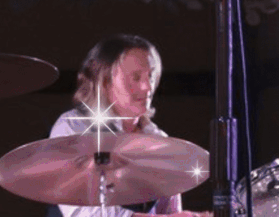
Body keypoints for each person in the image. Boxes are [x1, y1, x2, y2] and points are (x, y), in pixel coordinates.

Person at [47, 35, 211, 217]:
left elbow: (170, 212)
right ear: (105, 80)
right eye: (135, 77)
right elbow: (81, 211)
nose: (147, 87)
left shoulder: (160, 140)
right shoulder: (73, 127)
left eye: (150, 76)